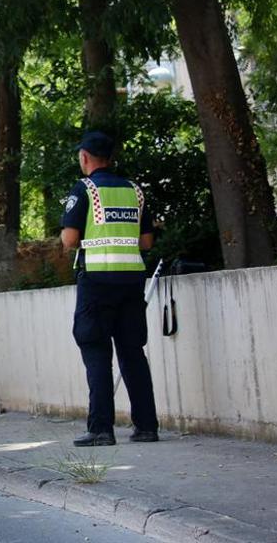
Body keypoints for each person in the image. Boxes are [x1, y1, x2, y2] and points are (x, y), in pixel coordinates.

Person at [60, 131, 160, 446]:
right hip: (132, 281)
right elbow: (146, 241)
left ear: (85, 157)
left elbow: (70, 239)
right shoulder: (135, 191)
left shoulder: (84, 189)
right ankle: (146, 427)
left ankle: (101, 429)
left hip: (97, 282)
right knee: (133, 352)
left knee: (96, 352)